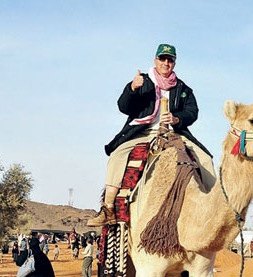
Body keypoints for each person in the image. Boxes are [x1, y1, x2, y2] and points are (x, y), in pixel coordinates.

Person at [87, 43, 216, 227]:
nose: (166, 63)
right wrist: (132, 88)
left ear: (174, 63)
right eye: (162, 58)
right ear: (155, 60)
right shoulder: (143, 81)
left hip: (173, 132)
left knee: (205, 160)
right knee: (117, 156)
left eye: (170, 60)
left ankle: (212, 210)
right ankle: (108, 209)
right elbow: (124, 107)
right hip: (142, 131)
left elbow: (192, 112)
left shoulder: (183, 89)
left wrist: (176, 118)